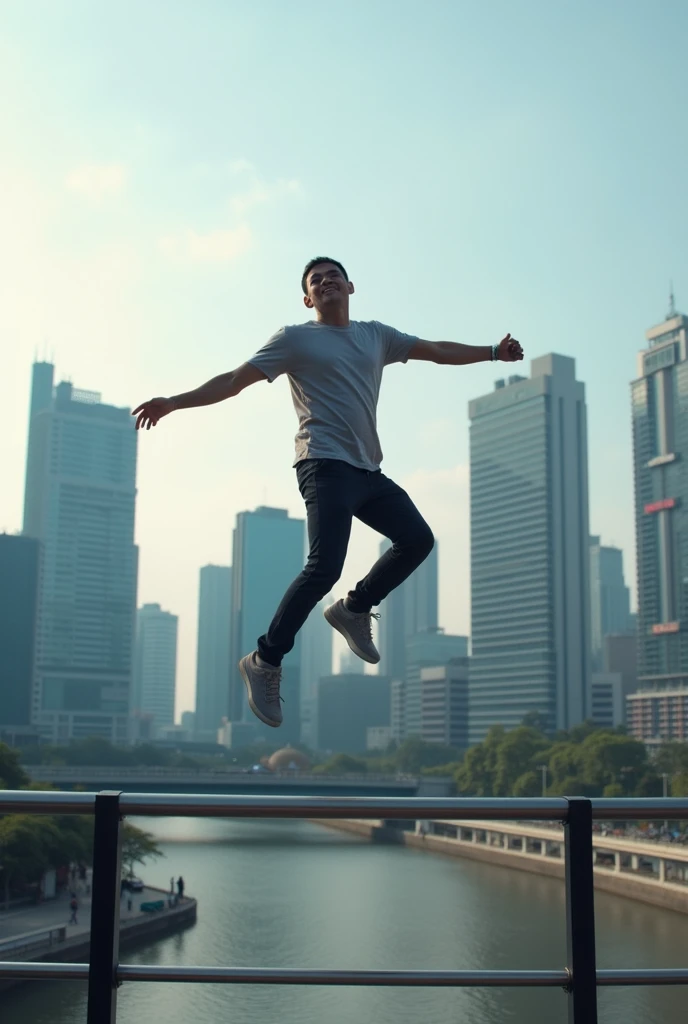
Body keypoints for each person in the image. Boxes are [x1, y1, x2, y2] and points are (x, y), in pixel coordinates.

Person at [133, 257, 523, 728]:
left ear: (351, 285)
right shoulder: (295, 339)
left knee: (418, 540)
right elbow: (234, 382)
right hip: (322, 463)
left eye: (332, 275)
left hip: (367, 469)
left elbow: (436, 350)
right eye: (315, 280)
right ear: (307, 298)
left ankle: (354, 608)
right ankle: (265, 660)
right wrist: (174, 402)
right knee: (324, 567)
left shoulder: (375, 335)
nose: (325, 281)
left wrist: (492, 353)